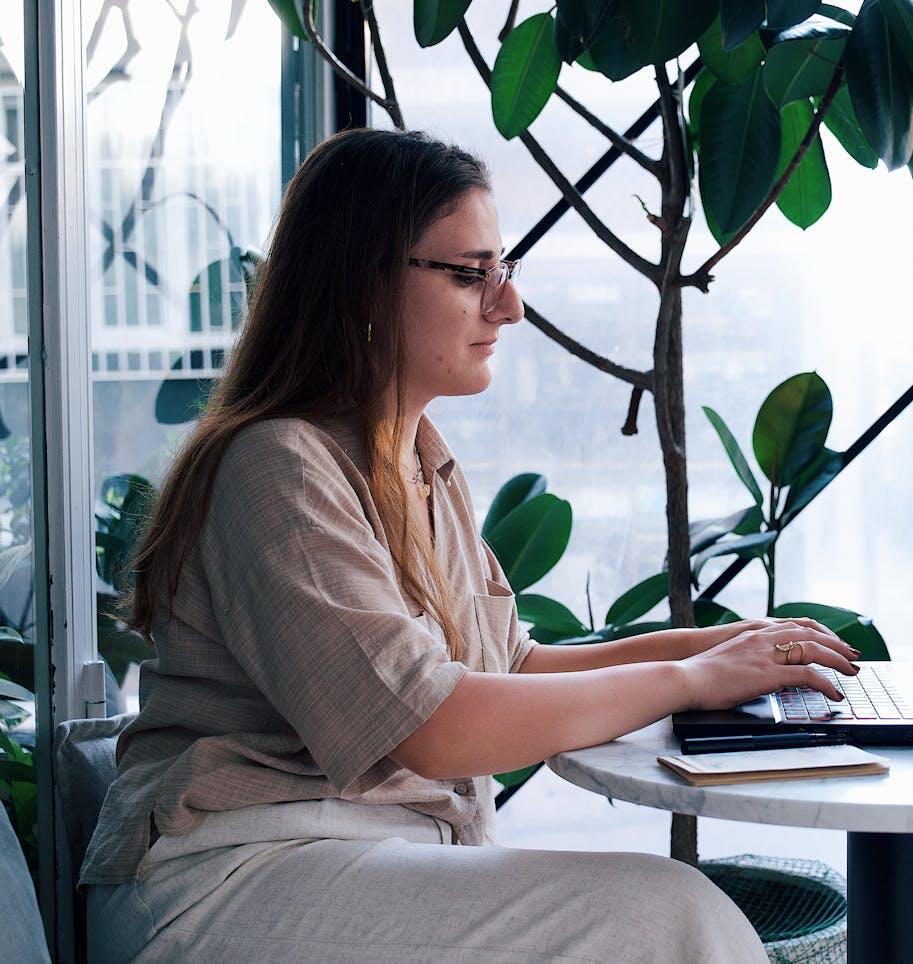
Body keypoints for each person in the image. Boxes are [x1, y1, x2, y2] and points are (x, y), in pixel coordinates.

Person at [79, 128, 862, 963]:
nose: (508, 305)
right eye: (469, 274)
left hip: (357, 852)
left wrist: (717, 648)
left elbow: (509, 669)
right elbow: (433, 726)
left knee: (664, 911)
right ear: (362, 284)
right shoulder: (278, 469)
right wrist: (687, 678)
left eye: (504, 270)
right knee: (669, 914)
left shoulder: (420, 460)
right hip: (225, 880)